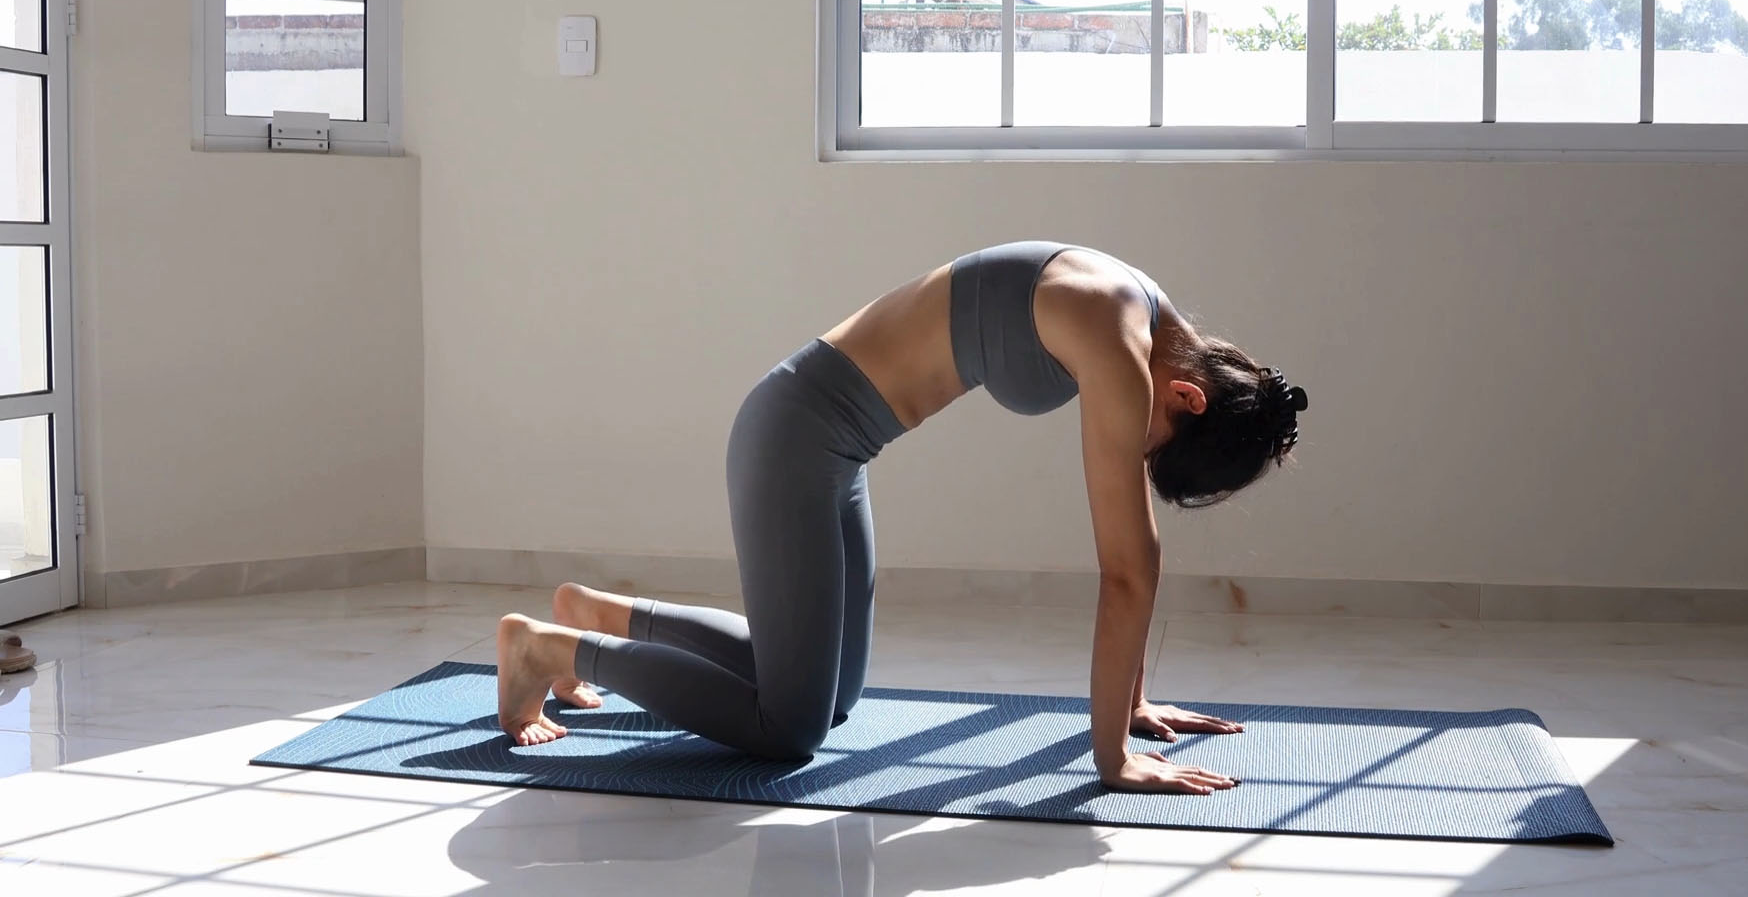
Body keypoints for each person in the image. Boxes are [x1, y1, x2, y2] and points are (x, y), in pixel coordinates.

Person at [495, 241, 1307, 795]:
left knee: (830, 698)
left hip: (832, 451)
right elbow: (1129, 566)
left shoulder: (1146, 313)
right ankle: (551, 649)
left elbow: (1135, 551)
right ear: (1188, 396)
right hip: (794, 442)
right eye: (1155, 446)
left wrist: (1130, 704)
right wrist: (1114, 755)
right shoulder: (1117, 337)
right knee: (787, 730)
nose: (1138, 454)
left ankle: (607, 615)